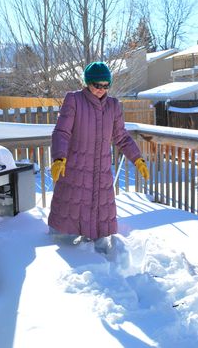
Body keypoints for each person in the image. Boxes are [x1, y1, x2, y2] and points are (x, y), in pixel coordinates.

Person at [48, 61, 149, 253]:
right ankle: (70, 253)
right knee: (70, 213)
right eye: (97, 85)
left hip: (101, 173)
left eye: (106, 85)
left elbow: (121, 137)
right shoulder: (74, 100)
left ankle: (102, 254)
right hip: (76, 171)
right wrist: (59, 157)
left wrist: (137, 158)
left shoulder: (113, 106)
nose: (102, 89)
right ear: (88, 83)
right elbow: (62, 132)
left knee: (100, 215)